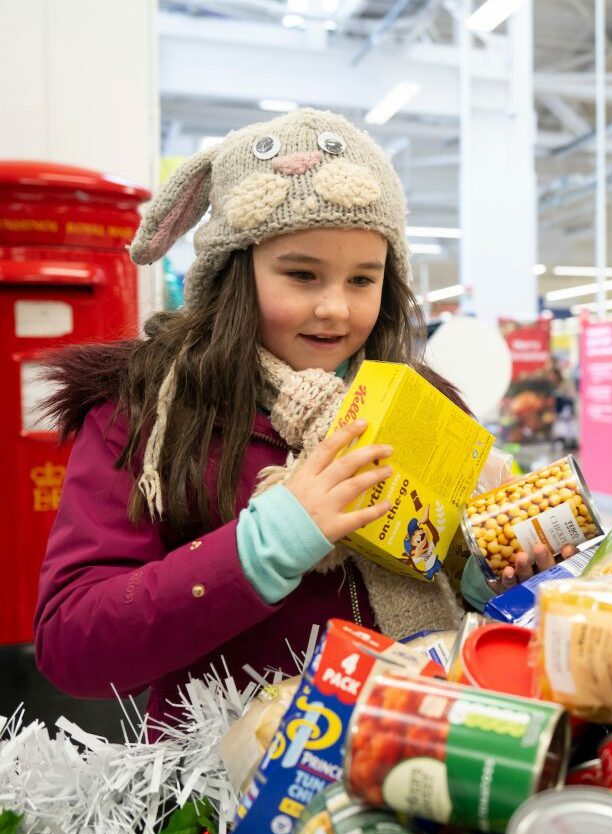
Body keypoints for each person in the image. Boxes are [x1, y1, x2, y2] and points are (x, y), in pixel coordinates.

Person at [33, 109, 559, 731]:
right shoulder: (151, 413)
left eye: (362, 279)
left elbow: (473, 602)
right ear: (235, 270)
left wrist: (498, 569)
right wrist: (267, 544)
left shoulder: (424, 403)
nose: (334, 308)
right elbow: (71, 645)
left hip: (417, 763)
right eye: (302, 274)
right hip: (222, 796)